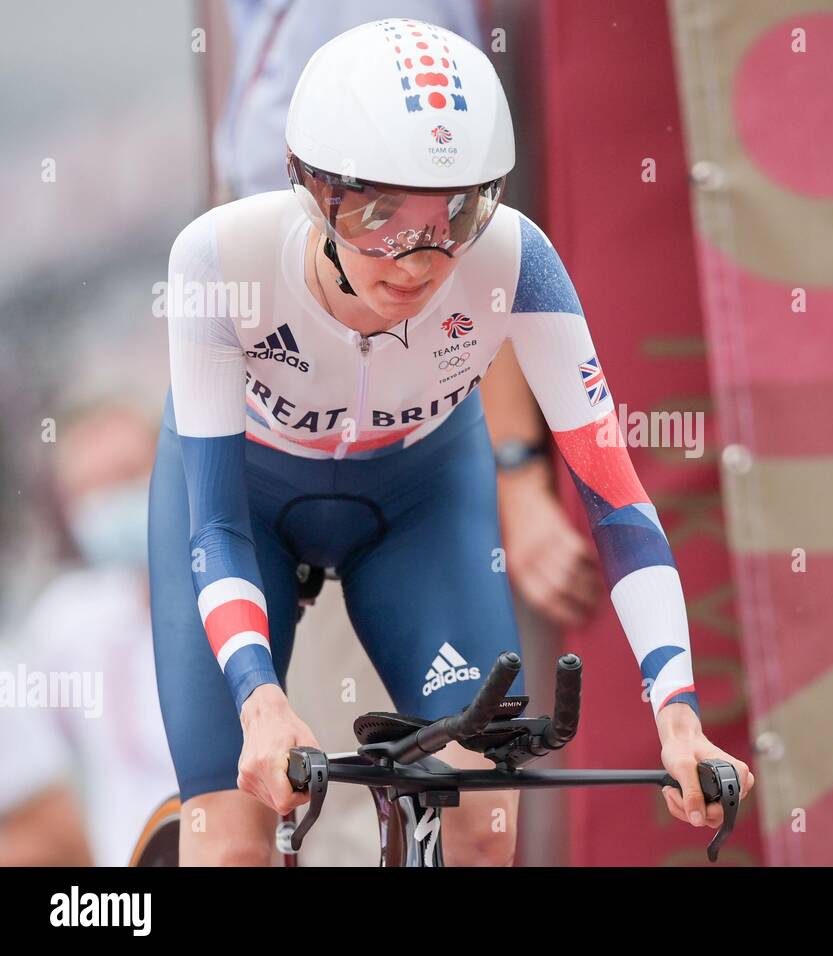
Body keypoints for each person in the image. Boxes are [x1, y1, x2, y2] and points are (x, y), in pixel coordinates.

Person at [151, 19, 753, 866]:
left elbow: (616, 502)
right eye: (379, 214)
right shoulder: (220, 258)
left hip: (419, 504)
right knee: (233, 848)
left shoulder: (516, 261)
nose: (418, 259)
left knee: (485, 826)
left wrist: (680, 715)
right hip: (245, 505)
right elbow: (214, 529)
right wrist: (260, 702)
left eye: (458, 213)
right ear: (309, 187)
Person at [0, 404, 177, 866]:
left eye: (124, 477)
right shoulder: (69, 619)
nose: (108, 506)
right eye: (88, 492)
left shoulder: (243, 607)